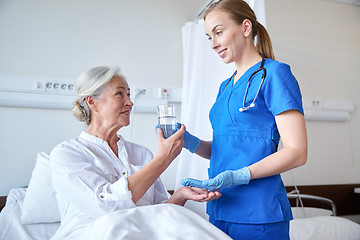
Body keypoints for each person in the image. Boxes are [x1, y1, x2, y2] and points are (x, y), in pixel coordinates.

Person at [179, 0, 308, 239]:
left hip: (259, 213)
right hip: (220, 208)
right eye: (209, 37)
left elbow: (297, 152)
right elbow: (226, 148)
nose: (214, 43)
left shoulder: (275, 75)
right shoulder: (225, 87)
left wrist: (240, 175)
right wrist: (192, 143)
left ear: (246, 28)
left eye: (218, 32)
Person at [49, 66, 221, 239]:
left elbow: (161, 211)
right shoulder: (67, 154)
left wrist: (181, 195)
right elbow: (105, 207)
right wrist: (161, 161)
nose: (130, 103)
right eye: (120, 94)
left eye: (129, 95)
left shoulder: (141, 154)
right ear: (92, 102)